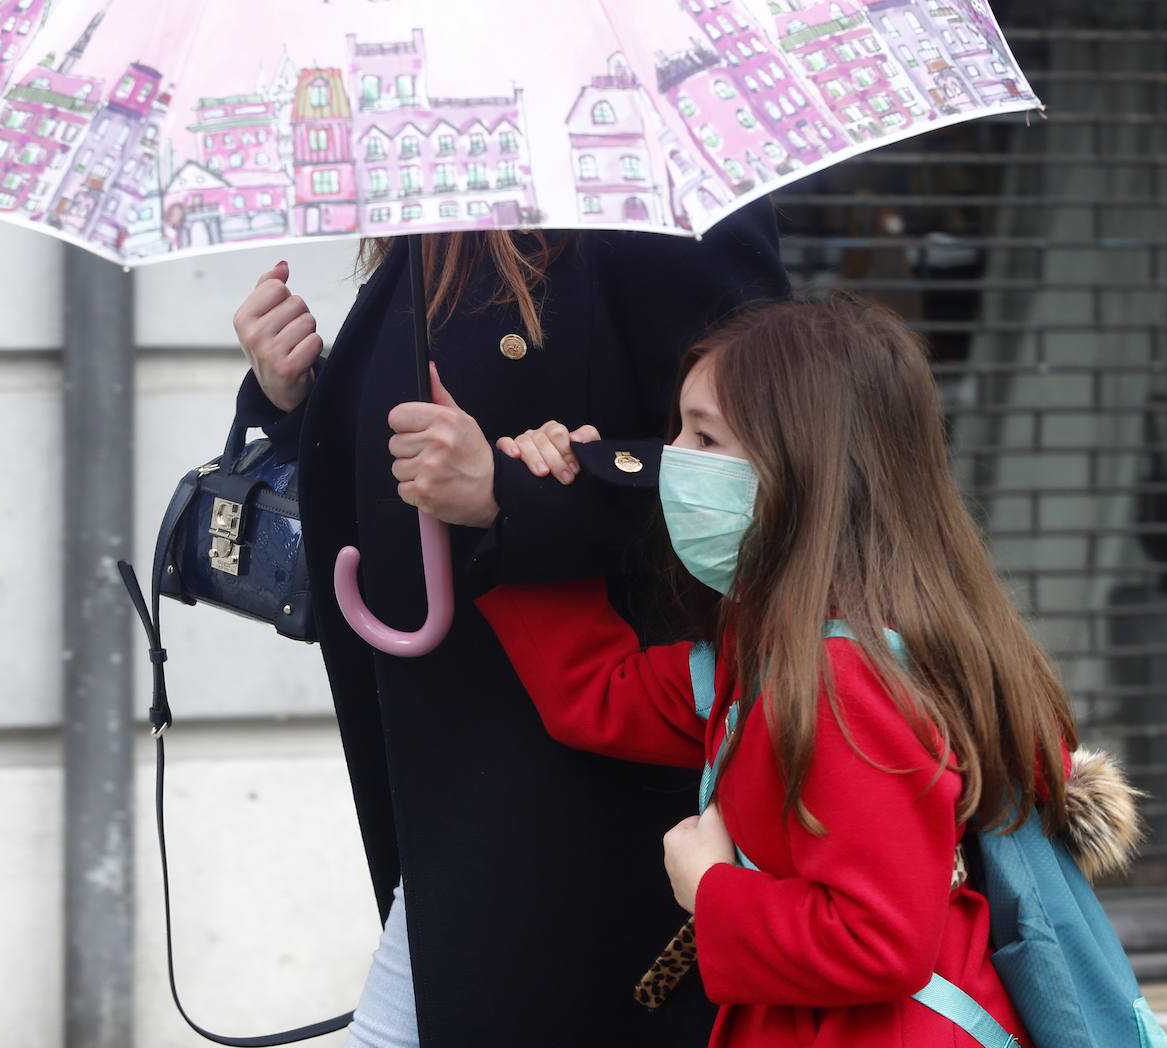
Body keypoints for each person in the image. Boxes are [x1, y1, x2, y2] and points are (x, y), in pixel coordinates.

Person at [230, 210, 790, 1047]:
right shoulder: (434, 227)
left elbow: (765, 465)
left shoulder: (643, 211)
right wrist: (290, 394)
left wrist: (509, 495)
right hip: (454, 752)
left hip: (586, 762)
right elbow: (406, 448)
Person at [475, 294, 1080, 1047]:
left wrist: (709, 889)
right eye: (682, 429)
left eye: (708, 436)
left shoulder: (841, 678)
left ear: (810, 466)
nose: (677, 460)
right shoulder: (781, 650)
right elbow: (601, 695)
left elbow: (878, 940)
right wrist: (530, 512)